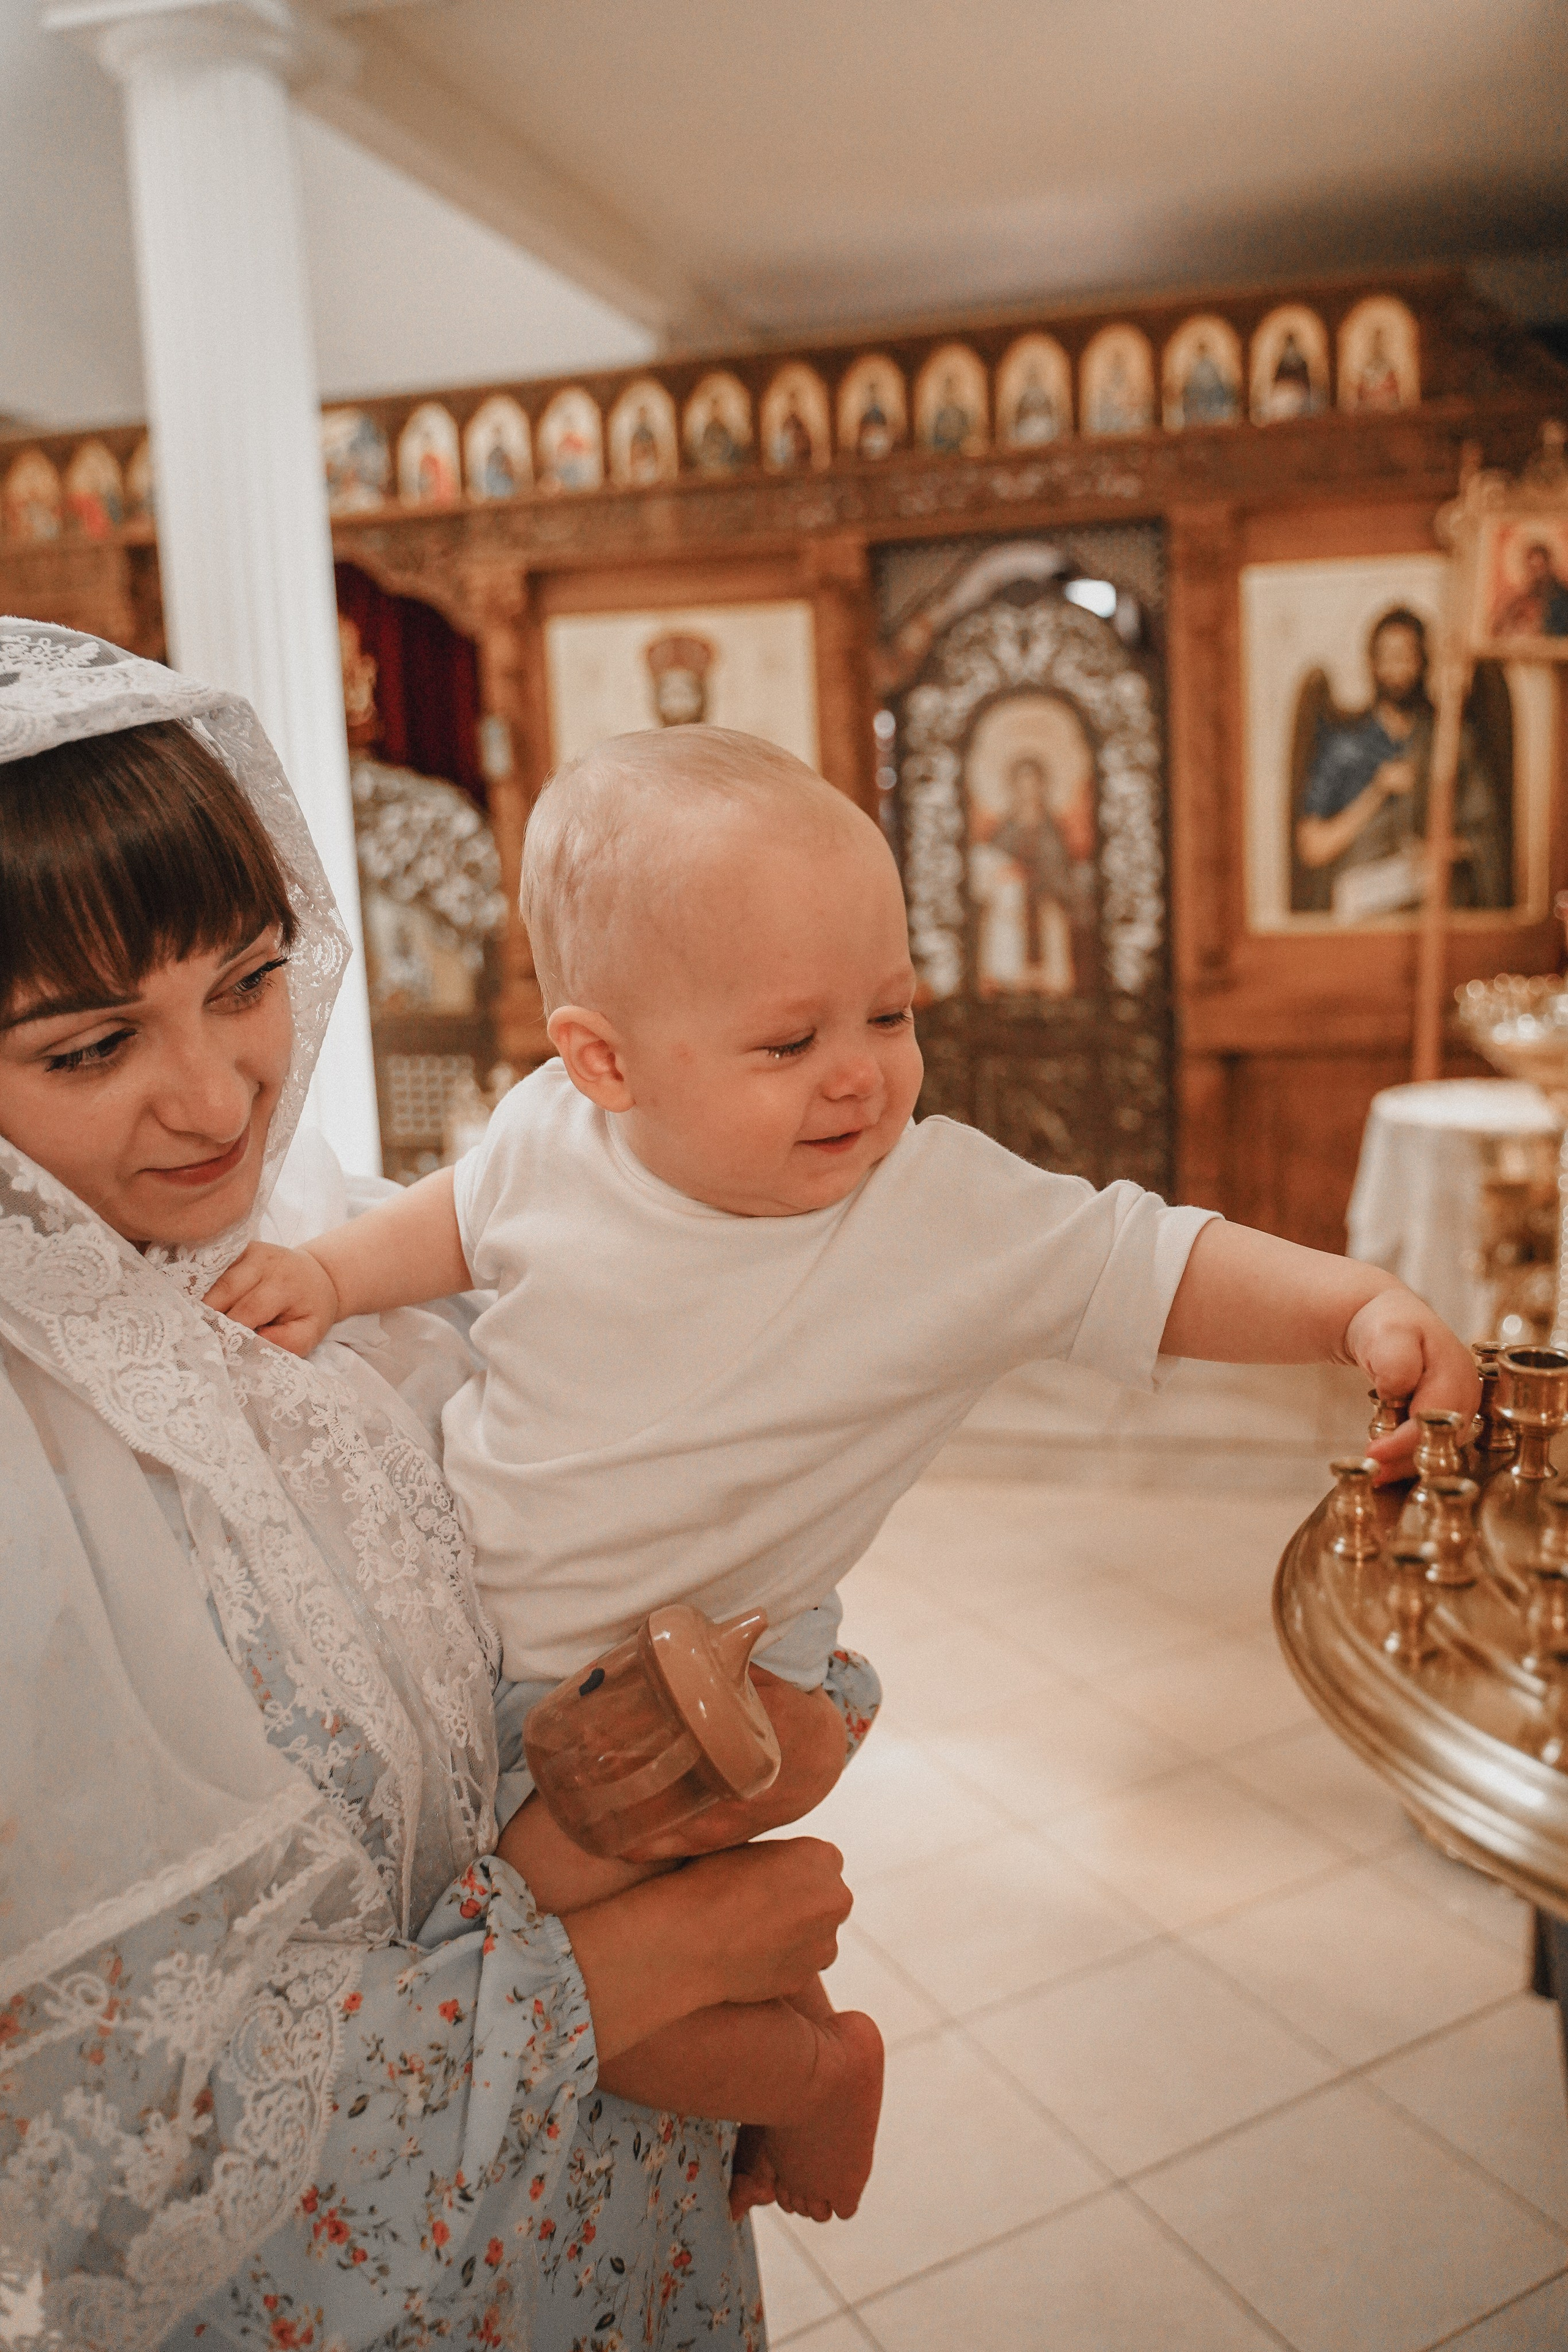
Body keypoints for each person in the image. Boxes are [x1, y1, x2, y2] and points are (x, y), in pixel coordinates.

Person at [217, 726, 1478, 1947]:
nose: (860, 1075)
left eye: (889, 1016)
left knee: (517, 1916)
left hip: (694, 1696)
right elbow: (460, 1217)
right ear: (604, 1063)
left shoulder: (933, 1212)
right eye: (790, 1041)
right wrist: (332, 1273)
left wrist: (1348, 1307)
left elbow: (1147, 1261)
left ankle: (756, 2054)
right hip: (472, 1642)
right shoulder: (552, 1131)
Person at [0, 627, 869, 2350]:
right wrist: (663, 1969)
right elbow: (101, 2169)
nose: (216, 1093)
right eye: (90, 1048)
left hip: (630, 2210)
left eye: (245, 979)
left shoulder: (353, 1279)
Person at [1295, 606, 1508, 919]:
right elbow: (1313, 848)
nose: (1398, 669)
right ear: (1373, 663)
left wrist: (1442, 850)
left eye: (1407, 657)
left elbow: (1485, 836)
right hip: (1362, 908)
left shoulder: (1451, 741)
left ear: (1423, 662)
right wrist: (1377, 791)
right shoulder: (1346, 748)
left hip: (1436, 906)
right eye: (1388, 658)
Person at [1491, 539, 1568, 639]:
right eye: (1533, 568)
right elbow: (1498, 630)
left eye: (1540, 567)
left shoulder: (1563, 596)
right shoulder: (1523, 597)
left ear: (1549, 566)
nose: (1537, 574)